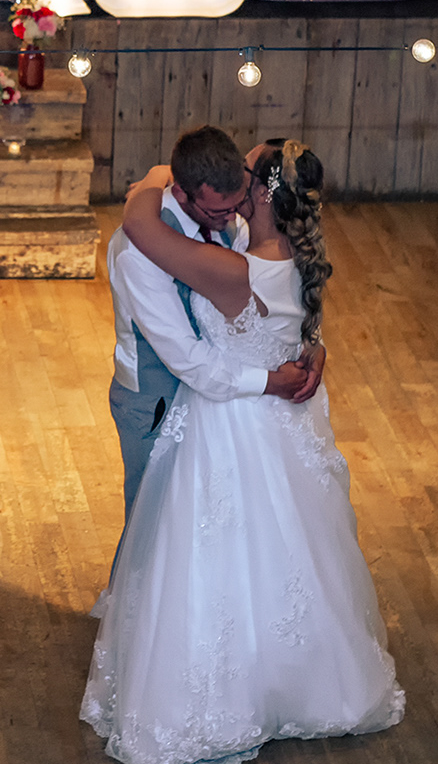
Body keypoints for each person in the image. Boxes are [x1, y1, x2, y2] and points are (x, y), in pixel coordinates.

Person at [82, 140, 404, 764]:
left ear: (257, 197)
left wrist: (151, 181)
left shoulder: (232, 265)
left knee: (210, 551)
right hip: (264, 419)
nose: (229, 208)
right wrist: (301, 355)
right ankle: (293, 675)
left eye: (244, 188)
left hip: (227, 418)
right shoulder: (285, 256)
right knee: (276, 545)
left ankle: (214, 679)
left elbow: (140, 222)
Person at [101, 126, 319, 561]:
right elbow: (185, 356)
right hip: (157, 398)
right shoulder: (138, 251)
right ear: (182, 195)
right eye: (220, 210)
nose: (233, 215)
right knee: (151, 520)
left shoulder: (229, 216)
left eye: (239, 202)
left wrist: (311, 344)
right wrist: (270, 381)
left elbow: (267, 304)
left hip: (222, 399)